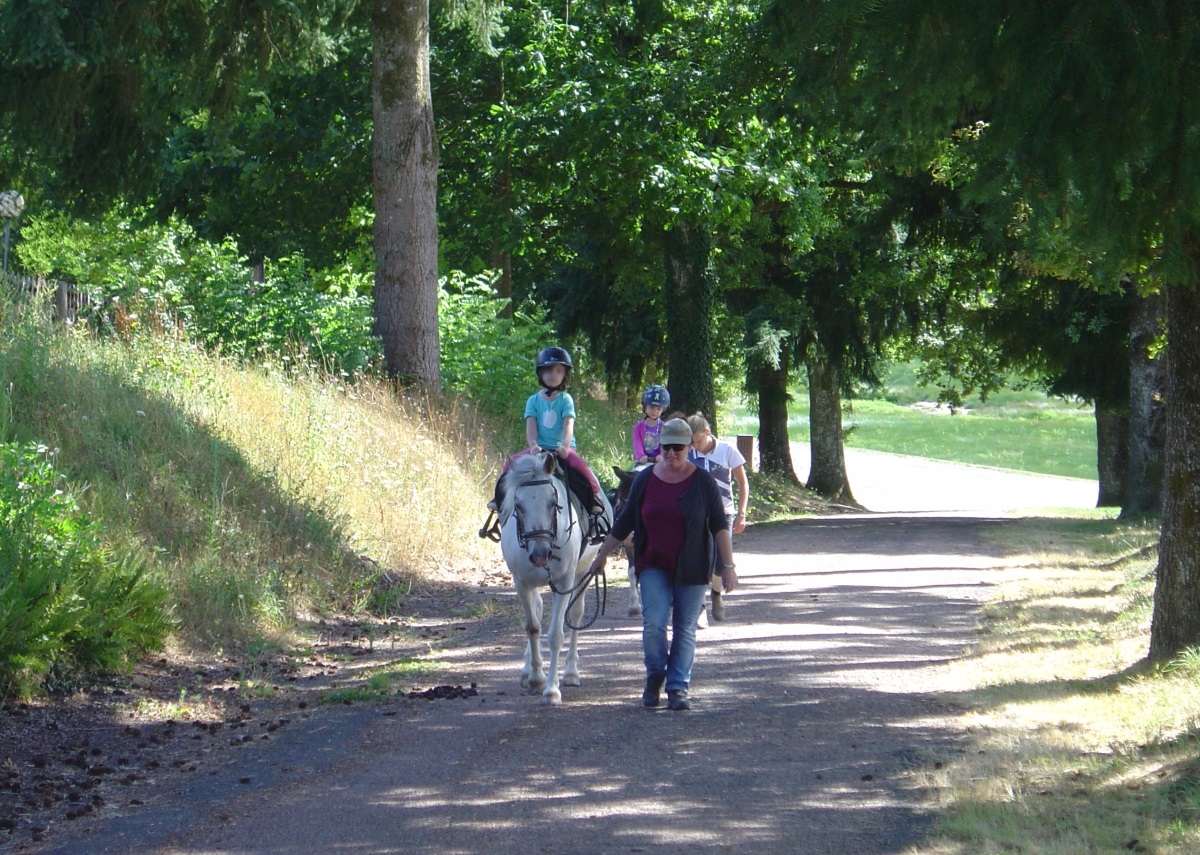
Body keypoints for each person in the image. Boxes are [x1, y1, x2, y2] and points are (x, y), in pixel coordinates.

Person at [586, 418, 738, 711]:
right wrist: (602, 554)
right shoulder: (645, 479)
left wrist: (728, 566)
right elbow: (625, 521)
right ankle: (655, 674)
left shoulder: (704, 482)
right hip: (653, 562)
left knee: (684, 628)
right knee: (654, 623)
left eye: (678, 448)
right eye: (667, 448)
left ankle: (678, 687)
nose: (671, 454)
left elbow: (719, 525)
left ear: (689, 447)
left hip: (692, 566)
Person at [490, 346, 607, 536]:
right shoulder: (533, 401)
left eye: (559, 371)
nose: (553, 375)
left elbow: (568, 424)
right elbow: (531, 426)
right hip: (539, 449)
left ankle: (595, 499)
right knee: (508, 465)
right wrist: (533, 446)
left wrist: (566, 447)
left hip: (561, 449)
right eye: (549, 370)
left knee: (581, 467)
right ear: (541, 373)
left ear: (564, 375)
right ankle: (500, 501)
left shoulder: (566, 399)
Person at [685, 412, 749, 623]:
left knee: (721, 561)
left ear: (708, 432)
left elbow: (742, 483)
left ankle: (717, 594)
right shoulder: (689, 453)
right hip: (697, 514)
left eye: (698, 440)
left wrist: (741, 513)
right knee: (700, 558)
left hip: (724, 513)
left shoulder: (727, 450)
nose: (695, 446)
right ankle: (699, 605)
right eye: (691, 442)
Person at [632, 385, 670, 465]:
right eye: (651, 407)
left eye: (658, 409)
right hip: (641, 461)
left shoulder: (664, 427)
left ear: (663, 410)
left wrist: (661, 456)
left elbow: (665, 444)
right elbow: (637, 443)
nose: (654, 411)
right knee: (628, 473)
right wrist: (641, 456)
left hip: (659, 462)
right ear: (645, 407)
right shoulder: (638, 427)